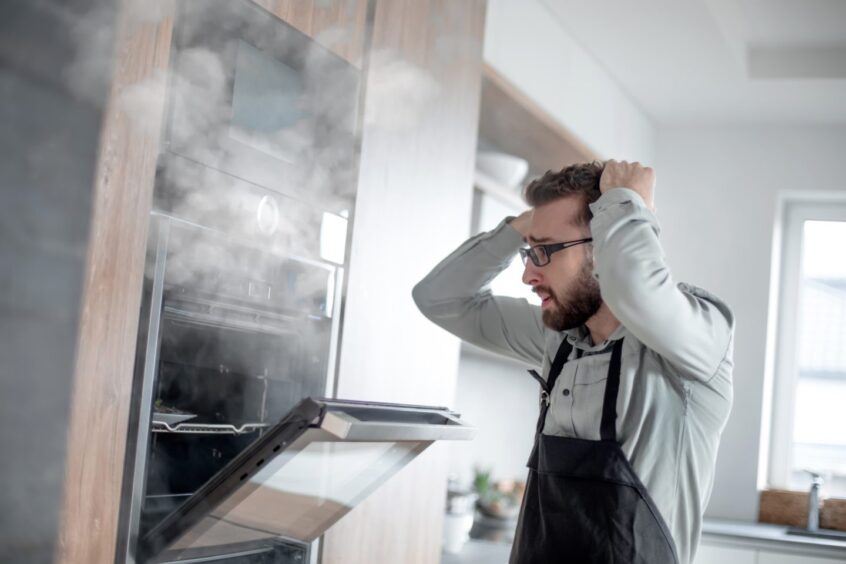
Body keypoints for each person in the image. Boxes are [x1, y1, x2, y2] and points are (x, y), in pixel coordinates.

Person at [412, 160, 734, 564]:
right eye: (529, 252)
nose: (527, 274)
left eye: (543, 251)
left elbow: (636, 292)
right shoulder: (558, 341)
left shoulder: (694, 341)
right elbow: (439, 298)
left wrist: (625, 202)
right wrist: (521, 227)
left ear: (602, 249)